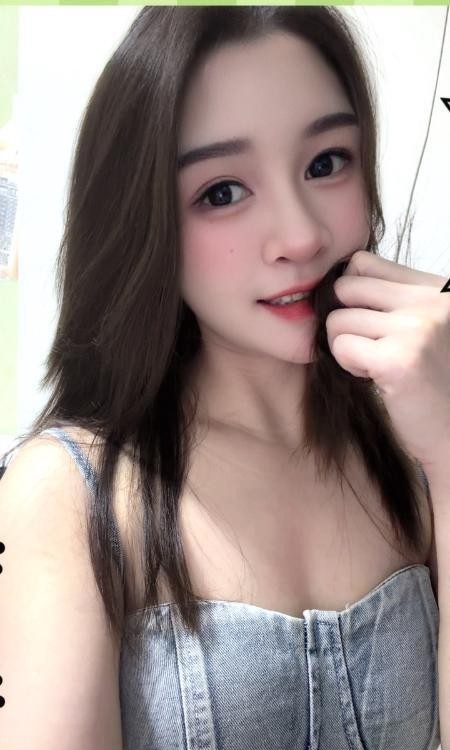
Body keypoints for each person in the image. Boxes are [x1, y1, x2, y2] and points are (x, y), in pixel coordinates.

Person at [0, 7, 447, 749]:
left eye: (326, 162)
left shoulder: (412, 449)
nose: (301, 235)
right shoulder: (69, 494)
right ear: (146, 225)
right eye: (221, 192)